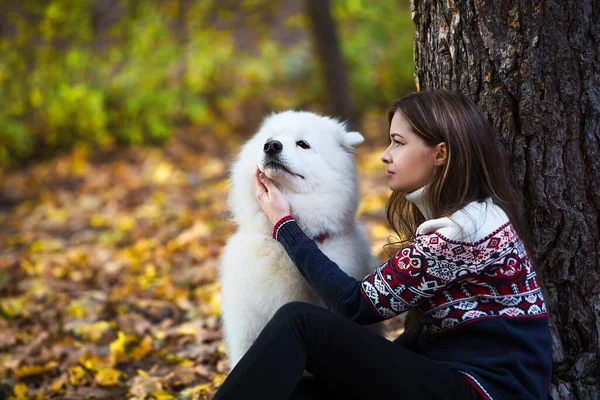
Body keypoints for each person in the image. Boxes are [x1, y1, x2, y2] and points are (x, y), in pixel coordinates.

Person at [214, 90, 552, 400]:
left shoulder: (462, 233)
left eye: (398, 143)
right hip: (454, 381)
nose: (385, 156)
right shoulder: (473, 219)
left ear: (440, 154)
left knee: (300, 321)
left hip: (482, 392)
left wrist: (284, 225)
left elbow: (354, 305)